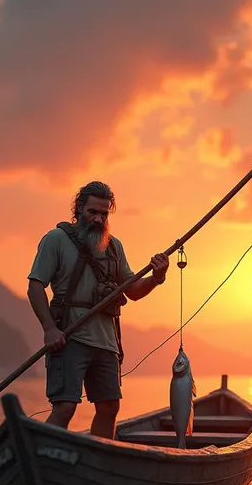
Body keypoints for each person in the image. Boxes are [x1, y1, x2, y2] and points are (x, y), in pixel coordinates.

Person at [27, 180, 169, 439]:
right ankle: (40, 456)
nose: (98, 219)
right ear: (79, 208)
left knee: (109, 407)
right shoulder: (56, 239)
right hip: (69, 337)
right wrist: (49, 329)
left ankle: (101, 460)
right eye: (93, 212)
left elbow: (133, 290)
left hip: (106, 343)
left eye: (104, 214)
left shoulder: (114, 247)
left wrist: (157, 277)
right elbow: (35, 287)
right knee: (65, 406)